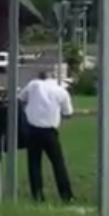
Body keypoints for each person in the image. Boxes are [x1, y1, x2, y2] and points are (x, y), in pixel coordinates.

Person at [19, 70, 74, 203]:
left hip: (33, 129)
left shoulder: (33, 85)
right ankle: (66, 195)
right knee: (58, 163)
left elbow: (21, 99)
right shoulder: (60, 91)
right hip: (50, 131)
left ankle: (37, 196)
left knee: (34, 164)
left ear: (40, 77)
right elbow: (68, 113)